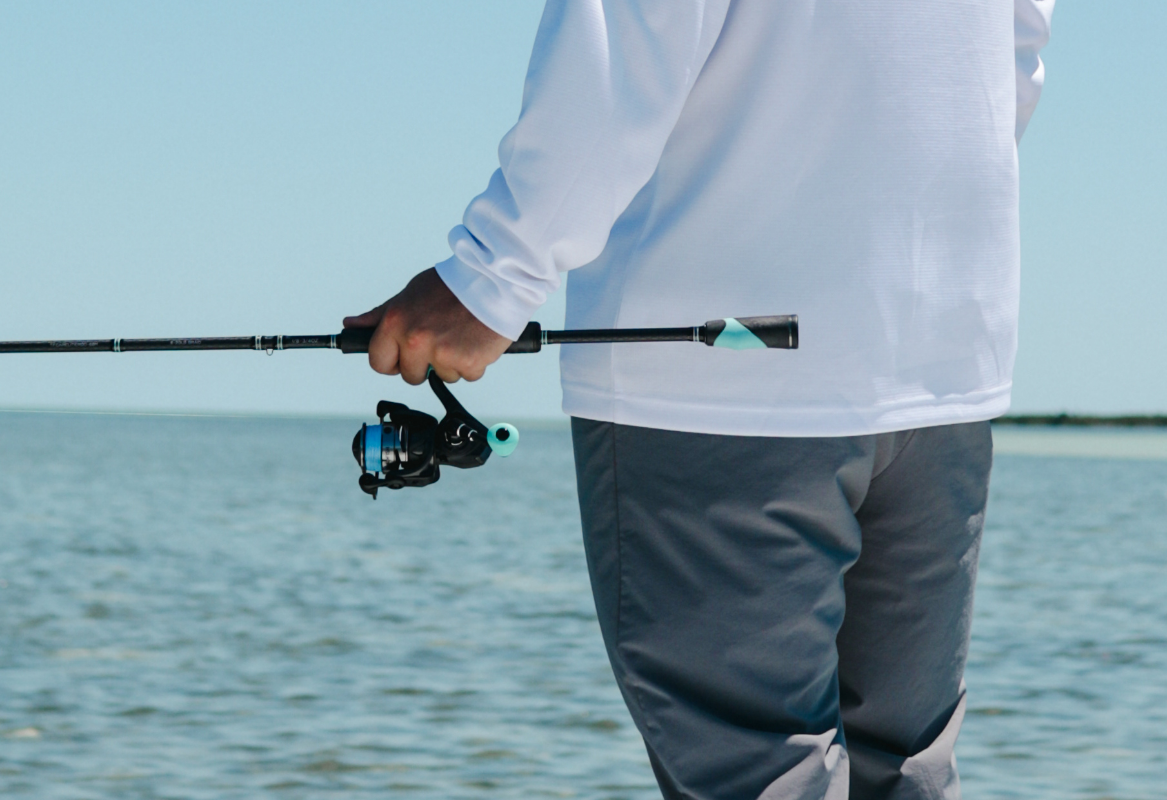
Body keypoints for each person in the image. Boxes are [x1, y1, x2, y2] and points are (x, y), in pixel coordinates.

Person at [346, 1, 1054, 797]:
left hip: (719, 400)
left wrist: (491, 278)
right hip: (943, 367)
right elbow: (1014, 51)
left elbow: (624, 45)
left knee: (761, 772)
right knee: (906, 770)